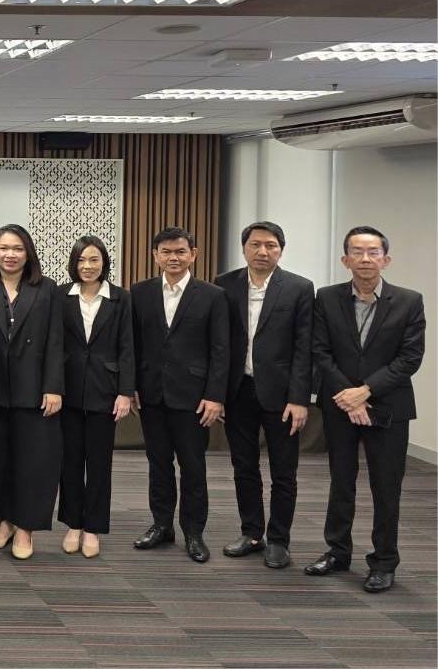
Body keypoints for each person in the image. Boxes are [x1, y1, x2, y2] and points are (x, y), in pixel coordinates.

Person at [306, 226, 425, 594]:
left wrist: (365, 392)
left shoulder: (409, 301)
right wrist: (349, 396)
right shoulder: (326, 298)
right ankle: (337, 552)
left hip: (388, 406)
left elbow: (409, 358)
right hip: (340, 405)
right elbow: (319, 350)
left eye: (373, 252)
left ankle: (384, 562)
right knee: (341, 482)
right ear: (345, 260)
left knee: (386, 487)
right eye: (357, 251)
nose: (365, 258)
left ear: (386, 259)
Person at [215, 222, 313, 570]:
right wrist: (217, 393)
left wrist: (300, 398)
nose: (262, 251)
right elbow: (218, 344)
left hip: (282, 395)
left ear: (281, 250)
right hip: (238, 390)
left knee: (283, 471)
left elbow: (304, 348)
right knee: (244, 466)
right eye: (255, 244)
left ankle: (280, 540)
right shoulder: (224, 284)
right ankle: (252, 533)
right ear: (243, 248)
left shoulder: (299, 288)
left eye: (271, 245)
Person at [130, 226, 228, 564]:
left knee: (193, 467)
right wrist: (131, 387)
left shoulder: (212, 295)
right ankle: (161, 525)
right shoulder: (139, 292)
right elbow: (133, 345)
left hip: (194, 398)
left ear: (193, 254)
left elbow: (221, 350)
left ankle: (194, 532)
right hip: (152, 394)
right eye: (166, 252)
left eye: (180, 251)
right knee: (158, 464)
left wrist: (215, 396)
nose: (174, 257)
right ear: (155, 255)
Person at [0, 224, 65, 560]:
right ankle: (5, 523)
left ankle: (26, 528)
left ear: (28, 253)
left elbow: (56, 341)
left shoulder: (47, 288)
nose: (10, 255)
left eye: (17, 249)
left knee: (33, 463)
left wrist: (53, 387)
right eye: (4, 248)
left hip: (34, 391)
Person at [58, 236, 134, 559]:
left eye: (94, 260)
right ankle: (73, 524)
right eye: (81, 260)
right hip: (68, 389)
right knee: (70, 461)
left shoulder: (120, 298)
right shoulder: (61, 296)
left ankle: (93, 528)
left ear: (104, 262)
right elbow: (53, 344)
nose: (87, 266)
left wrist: (125, 392)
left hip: (106, 389)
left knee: (100, 463)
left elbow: (128, 346)